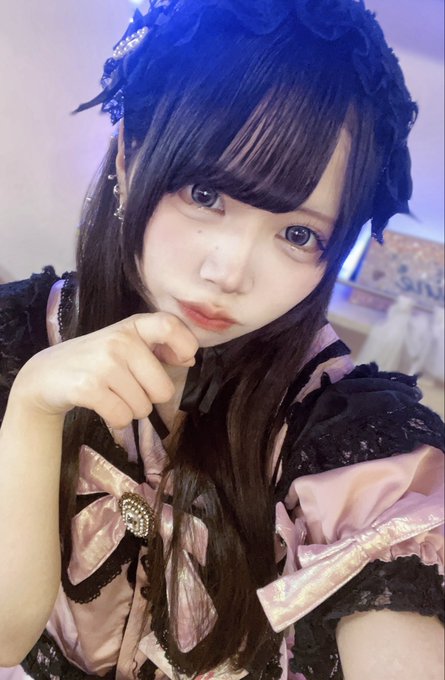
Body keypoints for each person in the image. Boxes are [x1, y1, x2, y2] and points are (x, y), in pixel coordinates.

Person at [0, 1, 443, 678]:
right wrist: (32, 410)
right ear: (130, 154)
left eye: (298, 234)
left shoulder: (350, 435)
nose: (230, 272)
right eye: (206, 194)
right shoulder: (17, 338)